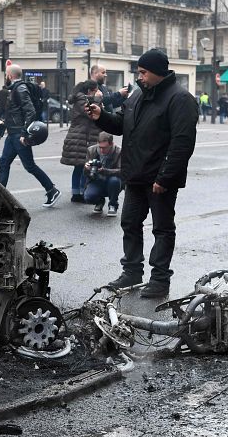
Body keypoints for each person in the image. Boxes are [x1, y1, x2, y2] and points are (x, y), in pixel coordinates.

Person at [88, 49, 198, 297]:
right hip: (135, 176)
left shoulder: (180, 98)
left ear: (158, 72)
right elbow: (121, 124)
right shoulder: (138, 95)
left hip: (159, 179)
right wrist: (100, 117)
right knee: (130, 223)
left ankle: (159, 280)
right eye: (139, 72)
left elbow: (182, 143)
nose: (140, 77)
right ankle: (131, 273)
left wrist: (165, 177)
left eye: (143, 72)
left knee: (162, 228)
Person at [0, 64, 61, 207]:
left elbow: (30, 111)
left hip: (18, 135)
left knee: (29, 166)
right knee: (4, 164)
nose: (6, 76)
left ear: (10, 75)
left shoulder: (20, 89)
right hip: (12, 134)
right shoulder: (14, 89)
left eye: (6, 74)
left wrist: (25, 134)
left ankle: (52, 190)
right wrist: (2, 123)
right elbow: (15, 112)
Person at [60, 79, 103, 202]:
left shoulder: (84, 99)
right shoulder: (82, 100)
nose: (98, 92)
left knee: (82, 166)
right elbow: (92, 113)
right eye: (96, 90)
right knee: (82, 167)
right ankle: (78, 193)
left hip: (82, 136)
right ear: (90, 91)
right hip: (81, 137)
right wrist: (98, 100)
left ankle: (79, 192)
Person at [83, 132, 123, 216]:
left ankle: (113, 204)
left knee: (114, 181)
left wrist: (104, 170)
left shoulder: (119, 151)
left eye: (105, 148)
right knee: (88, 197)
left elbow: (122, 171)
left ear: (112, 144)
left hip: (112, 180)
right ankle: (100, 202)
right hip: (96, 180)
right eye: (100, 147)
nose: (102, 150)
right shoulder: (91, 150)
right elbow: (85, 174)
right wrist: (87, 169)